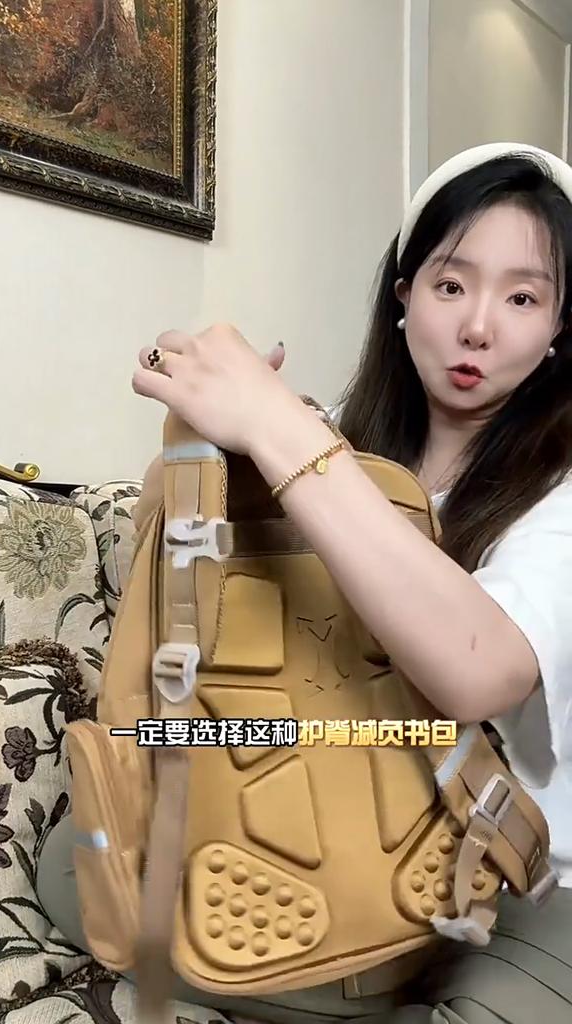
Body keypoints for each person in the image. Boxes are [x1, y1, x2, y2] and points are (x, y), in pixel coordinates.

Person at [36, 142, 572, 1023]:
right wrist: (226, 445)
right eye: (450, 285)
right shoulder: (340, 445)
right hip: (324, 797)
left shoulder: (557, 492)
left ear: (558, 329)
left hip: (515, 864)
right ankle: (342, 962)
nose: (479, 326)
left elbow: (482, 670)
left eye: (523, 298)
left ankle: (350, 967)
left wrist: (280, 430)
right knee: (77, 858)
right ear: (403, 297)